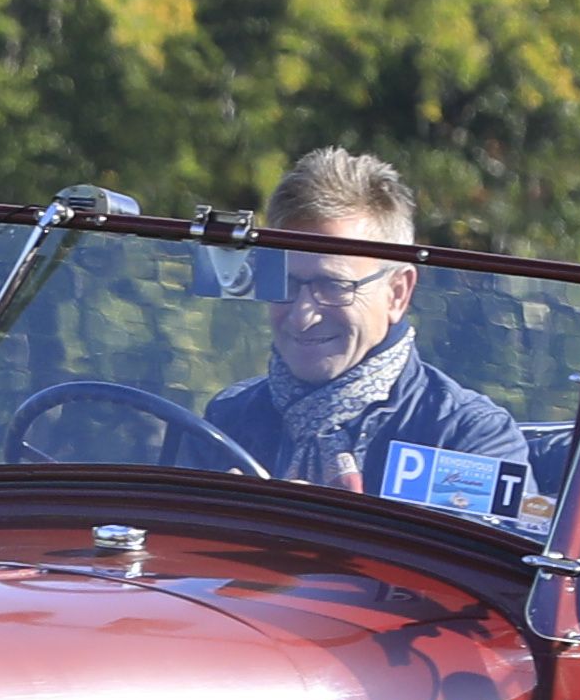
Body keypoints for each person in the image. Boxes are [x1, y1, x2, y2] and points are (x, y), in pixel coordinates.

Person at [199, 147, 521, 510]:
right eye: (285, 284)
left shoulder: (466, 437)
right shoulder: (227, 418)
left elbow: (480, 564)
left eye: (335, 286)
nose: (303, 315)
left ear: (397, 293)